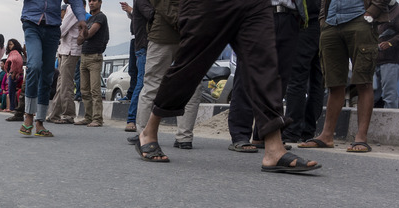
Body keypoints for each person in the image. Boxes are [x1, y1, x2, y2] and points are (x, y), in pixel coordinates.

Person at [135, 0, 321, 174]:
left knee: (264, 66)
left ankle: (274, 149)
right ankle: (149, 130)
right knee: (190, 66)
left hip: (255, 4)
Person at [298, 0, 389, 152]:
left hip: (360, 19)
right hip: (331, 22)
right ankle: (326, 136)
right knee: (333, 84)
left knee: (363, 81)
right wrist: (323, 19)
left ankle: (361, 138)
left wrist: (371, 13)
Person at [227, 1, 307, 153]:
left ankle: (264, 135)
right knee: (247, 74)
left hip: (289, 16)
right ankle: (240, 135)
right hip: (257, 14)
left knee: (279, 78)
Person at [128, 0, 203, 150]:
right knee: (187, 85)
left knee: (155, 85)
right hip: (184, 31)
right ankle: (181, 137)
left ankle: (147, 134)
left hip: (172, 32)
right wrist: (187, 22)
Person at [20, 0, 87, 137]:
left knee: (47, 74)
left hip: (53, 28)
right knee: (34, 66)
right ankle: (28, 114)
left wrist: (81, 18)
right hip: (32, 23)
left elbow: (75, 1)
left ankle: (40, 122)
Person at [283, 0, 325, 143]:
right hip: (325, 25)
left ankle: (292, 130)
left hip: (307, 23)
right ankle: (307, 131)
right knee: (317, 81)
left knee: (296, 79)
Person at [47, 0, 83, 125]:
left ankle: (68, 114)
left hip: (70, 51)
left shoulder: (73, 10)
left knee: (66, 84)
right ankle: (54, 114)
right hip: (64, 50)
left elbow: (61, 30)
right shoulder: (69, 9)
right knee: (60, 85)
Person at [73, 0, 109, 128]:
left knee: (94, 90)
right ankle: (88, 117)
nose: (91, 3)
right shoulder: (88, 19)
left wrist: (83, 33)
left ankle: (97, 118)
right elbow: (79, 40)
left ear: (100, 2)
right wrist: (83, 34)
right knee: (84, 89)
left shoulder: (100, 17)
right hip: (84, 55)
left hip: (95, 56)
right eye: (90, 1)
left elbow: (89, 33)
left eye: (94, 1)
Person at [120, 0, 153, 132]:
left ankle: (140, 121)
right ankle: (132, 119)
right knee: (142, 82)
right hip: (144, 46)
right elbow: (150, 15)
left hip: (148, 45)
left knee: (147, 83)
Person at [374, 0, 399, 108]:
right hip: (375, 60)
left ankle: (392, 123)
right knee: (372, 94)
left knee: (389, 95)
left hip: (391, 60)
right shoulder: (377, 12)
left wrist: (390, 43)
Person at [4, 39, 24, 113]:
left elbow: (16, 61)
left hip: (13, 74)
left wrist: (13, 72)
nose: (9, 46)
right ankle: (12, 107)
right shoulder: (17, 53)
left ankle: (12, 107)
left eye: (11, 44)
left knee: (11, 91)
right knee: (11, 91)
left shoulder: (14, 53)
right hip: (14, 74)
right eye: (9, 44)